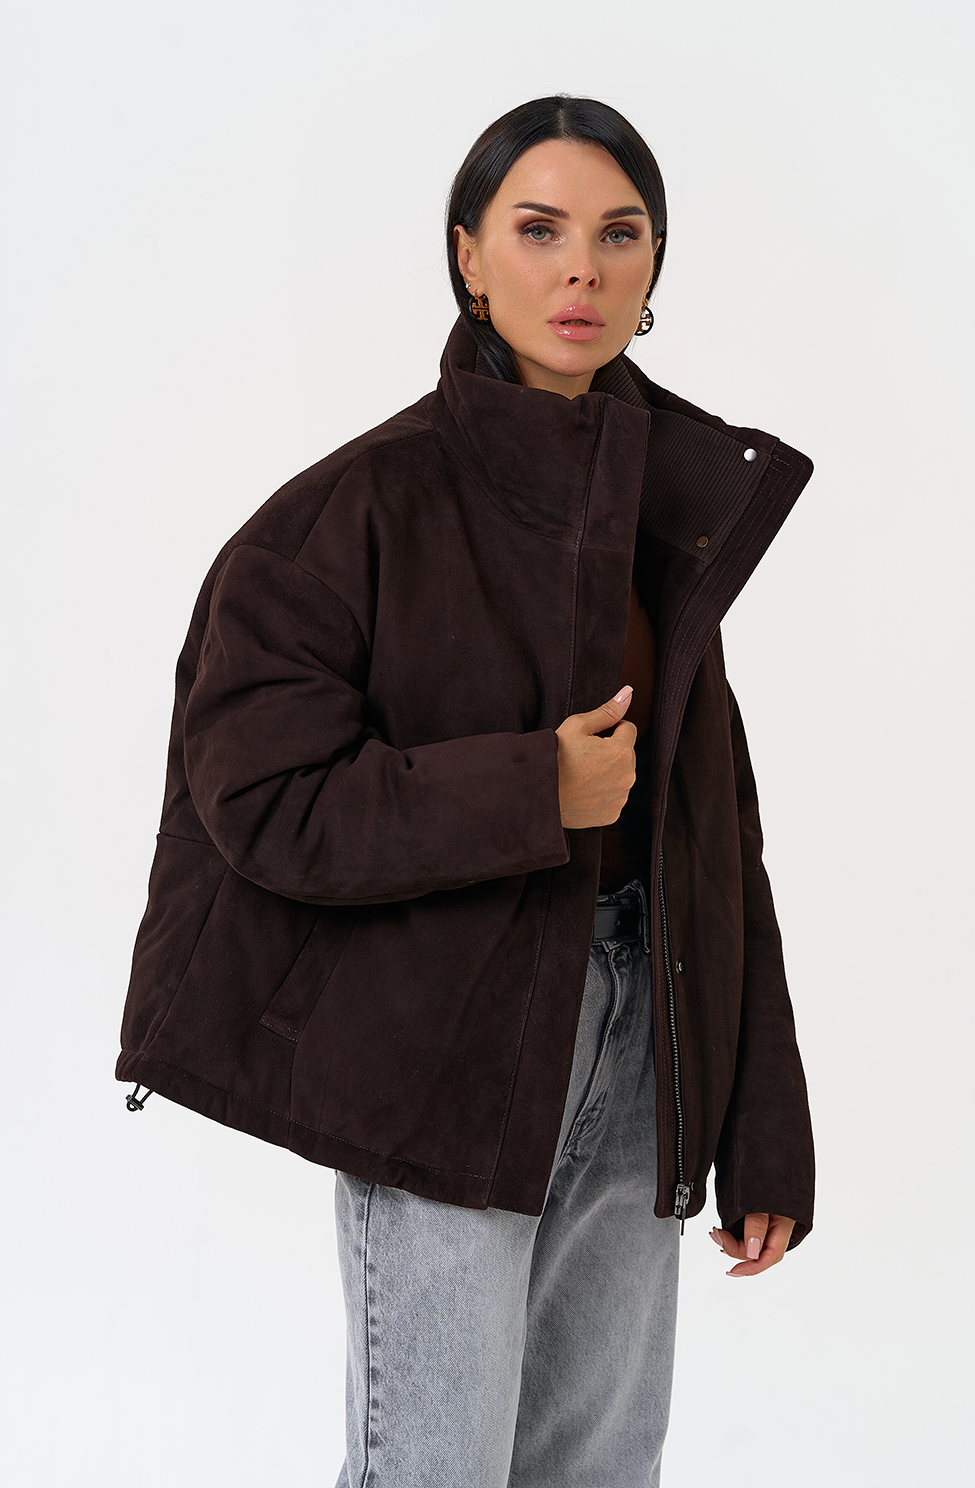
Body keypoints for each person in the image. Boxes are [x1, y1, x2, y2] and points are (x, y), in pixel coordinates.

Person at [117, 95, 815, 1486]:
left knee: (600, 1467)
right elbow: (261, 802)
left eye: (621, 235)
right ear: (468, 256)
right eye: (539, 230)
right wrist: (533, 787)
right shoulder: (349, 515)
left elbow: (715, 841)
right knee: (433, 1467)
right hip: (440, 1055)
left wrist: (760, 1130)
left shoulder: (663, 517)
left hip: (645, 1037)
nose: (583, 270)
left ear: (654, 268)